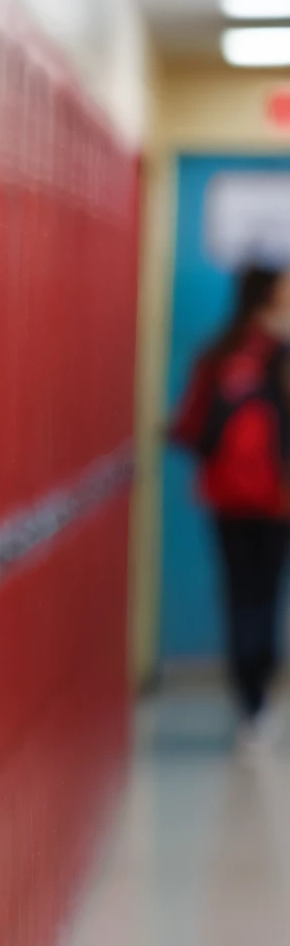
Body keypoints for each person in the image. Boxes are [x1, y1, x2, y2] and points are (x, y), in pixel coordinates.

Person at [171, 262, 290, 726]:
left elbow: (190, 426)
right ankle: (259, 689)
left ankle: (248, 697)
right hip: (276, 497)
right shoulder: (280, 353)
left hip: (225, 494)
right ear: (267, 298)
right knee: (266, 591)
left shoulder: (217, 353)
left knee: (239, 590)